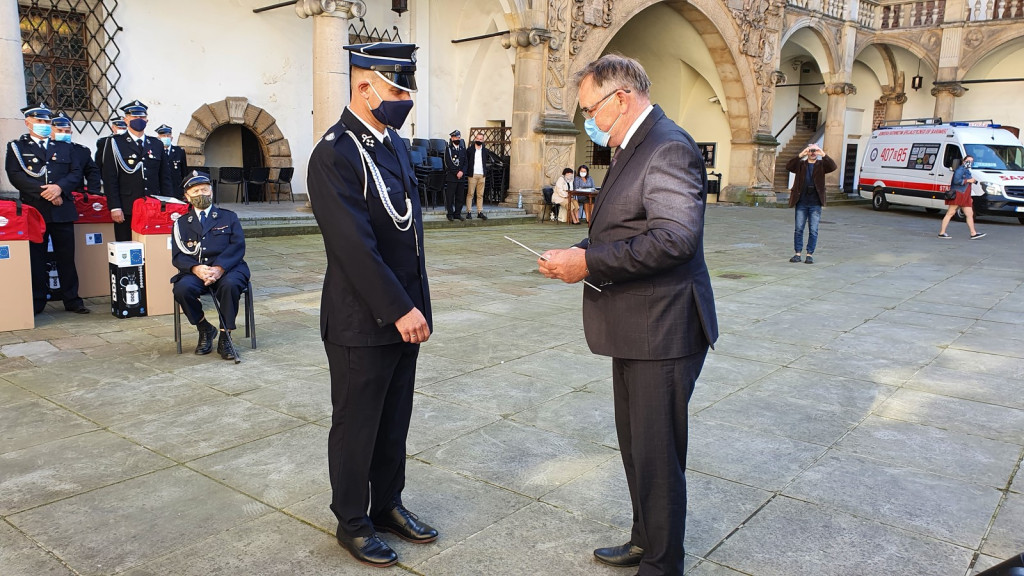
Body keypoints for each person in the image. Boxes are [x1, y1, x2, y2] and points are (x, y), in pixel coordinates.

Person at [537, 54, 718, 576]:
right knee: (637, 447)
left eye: (590, 110)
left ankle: (663, 564)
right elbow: (625, 229)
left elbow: (674, 239)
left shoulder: (668, 146)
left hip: (663, 328)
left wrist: (590, 263)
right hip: (635, 326)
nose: (587, 122)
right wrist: (579, 251)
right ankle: (645, 539)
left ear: (621, 98)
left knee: (658, 456)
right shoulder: (631, 145)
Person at [306, 42, 437, 569]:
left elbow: (408, 234)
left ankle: (386, 505)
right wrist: (399, 308)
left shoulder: (392, 144)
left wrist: (415, 306)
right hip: (362, 317)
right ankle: (353, 522)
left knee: (393, 420)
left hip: (405, 313)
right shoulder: (334, 154)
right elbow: (354, 247)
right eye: (397, 91)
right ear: (364, 88)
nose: (405, 101)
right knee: (357, 424)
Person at [4, 103, 89, 315]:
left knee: (66, 257)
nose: (43, 124)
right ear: (28, 123)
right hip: (35, 210)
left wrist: (59, 188)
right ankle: (38, 300)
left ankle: (72, 299)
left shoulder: (64, 147)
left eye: (46, 121)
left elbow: (76, 173)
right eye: (39, 120)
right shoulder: (17, 147)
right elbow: (15, 176)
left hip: (62, 210)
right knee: (37, 258)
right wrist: (47, 192)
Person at [170, 171, 249, 361]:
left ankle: (225, 335)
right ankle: (204, 328)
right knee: (181, 289)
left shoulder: (228, 217)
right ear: (187, 196)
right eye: (196, 191)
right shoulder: (181, 223)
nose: (201, 194)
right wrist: (197, 269)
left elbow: (237, 246)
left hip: (229, 268)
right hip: (197, 271)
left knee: (231, 285)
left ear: (211, 192)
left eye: (205, 190)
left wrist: (219, 268)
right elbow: (178, 256)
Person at [101, 100, 174, 241]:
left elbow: (165, 177)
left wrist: (169, 204)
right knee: (127, 247)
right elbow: (110, 177)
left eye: (142, 117)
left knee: (152, 245)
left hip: (153, 206)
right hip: (127, 207)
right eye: (134, 117)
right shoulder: (115, 143)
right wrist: (115, 207)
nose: (139, 120)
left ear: (147, 120)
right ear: (126, 120)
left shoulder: (156, 144)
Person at [786, 143, 836, 264]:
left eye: (815, 150)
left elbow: (833, 166)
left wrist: (822, 154)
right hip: (801, 202)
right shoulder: (801, 164)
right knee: (799, 229)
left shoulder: (821, 165)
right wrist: (801, 155)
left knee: (813, 230)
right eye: (811, 150)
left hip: (815, 203)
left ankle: (809, 254)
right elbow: (789, 166)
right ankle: (797, 253)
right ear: (807, 152)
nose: (813, 153)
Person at [52, 112, 101, 196]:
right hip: (51, 193)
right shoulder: (44, 149)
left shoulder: (81, 151)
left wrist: (94, 191)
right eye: (59, 131)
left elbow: (93, 172)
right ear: (51, 132)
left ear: (71, 133)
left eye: (67, 131)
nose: (63, 133)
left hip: (76, 195)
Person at [939, 155, 986, 240]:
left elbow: (968, 182)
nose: (970, 163)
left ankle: (973, 233)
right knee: (950, 213)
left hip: (965, 195)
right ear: (964, 161)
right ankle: (942, 233)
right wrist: (968, 180)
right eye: (968, 161)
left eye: (971, 161)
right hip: (959, 194)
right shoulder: (960, 170)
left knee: (969, 214)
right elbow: (956, 181)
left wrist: (970, 193)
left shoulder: (966, 170)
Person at [465, 132, 496, 220]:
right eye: (477, 138)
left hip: (482, 174)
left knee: (480, 194)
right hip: (473, 174)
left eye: (481, 139)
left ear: (483, 140)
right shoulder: (470, 150)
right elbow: (467, 161)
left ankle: (480, 212)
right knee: (470, 194)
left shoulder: (485, 151)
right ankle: (469, 212)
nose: (479, 140)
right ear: (475, 139)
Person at [156, 124, 188, 199]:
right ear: (158, 138)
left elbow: (184, 173)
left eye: (168, 135)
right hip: (161, 191)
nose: (166, 138)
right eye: (163, 136)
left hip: (177, 191)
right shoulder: (156, 152)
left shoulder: (179, 151)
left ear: (171, 138)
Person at [443, 129, 467, 221]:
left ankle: (457, 213)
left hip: (461, 177)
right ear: (452, 138)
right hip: (452, 177)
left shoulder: (462, 149)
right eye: (456, 137)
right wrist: (456, 172)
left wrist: (462, 172)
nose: (457, 139)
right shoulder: (448, 149)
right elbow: (448, 163)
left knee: (460, 197)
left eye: (459, 137)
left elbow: (466, 163)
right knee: (450, 196)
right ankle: (450, 213)